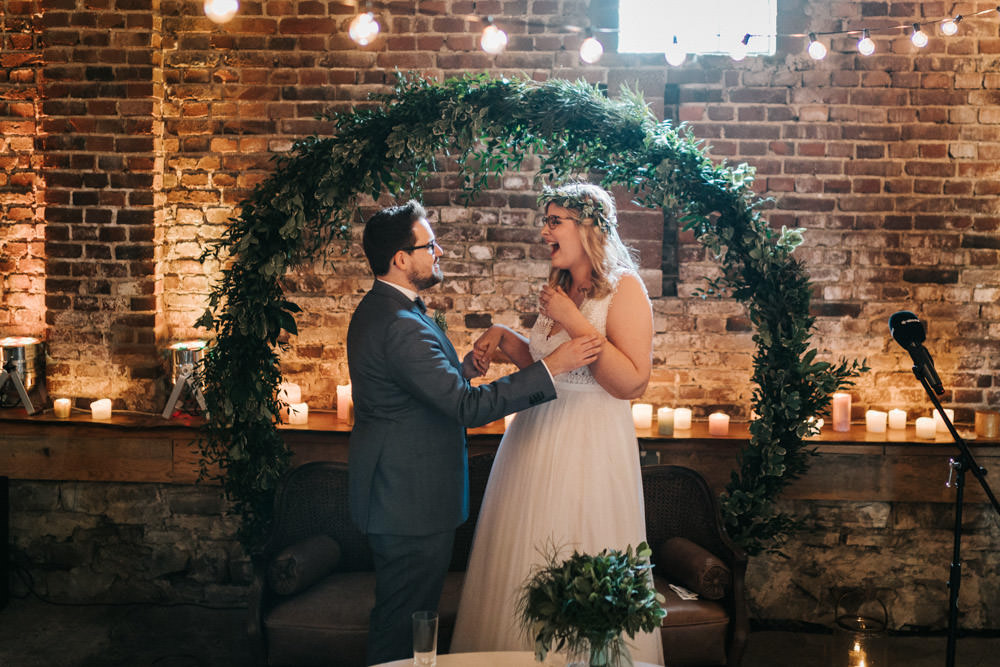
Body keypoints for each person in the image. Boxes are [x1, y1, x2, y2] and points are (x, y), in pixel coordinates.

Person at [347, 200, 603, 666]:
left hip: (401, 493)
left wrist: (462, 369)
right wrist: (551, 368)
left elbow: (421, 391)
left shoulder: (390, 311)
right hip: (408, 499)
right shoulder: (399, 324)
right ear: (401, 258)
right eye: (430, 245)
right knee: (402, 620)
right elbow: (464, 408)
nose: (439, 251)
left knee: (408, 615)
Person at [451, 183, 664, 664]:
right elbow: (552, 366)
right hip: (532, 439)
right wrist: (506, 340)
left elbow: (631, 384)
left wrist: (573, 319)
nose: (543, 230)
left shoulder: (624, 289)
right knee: (522, 556)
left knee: (576, 546)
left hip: (589, 446)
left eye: (554, 221)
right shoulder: (559, 286)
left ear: (587, 227)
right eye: (545, 220)